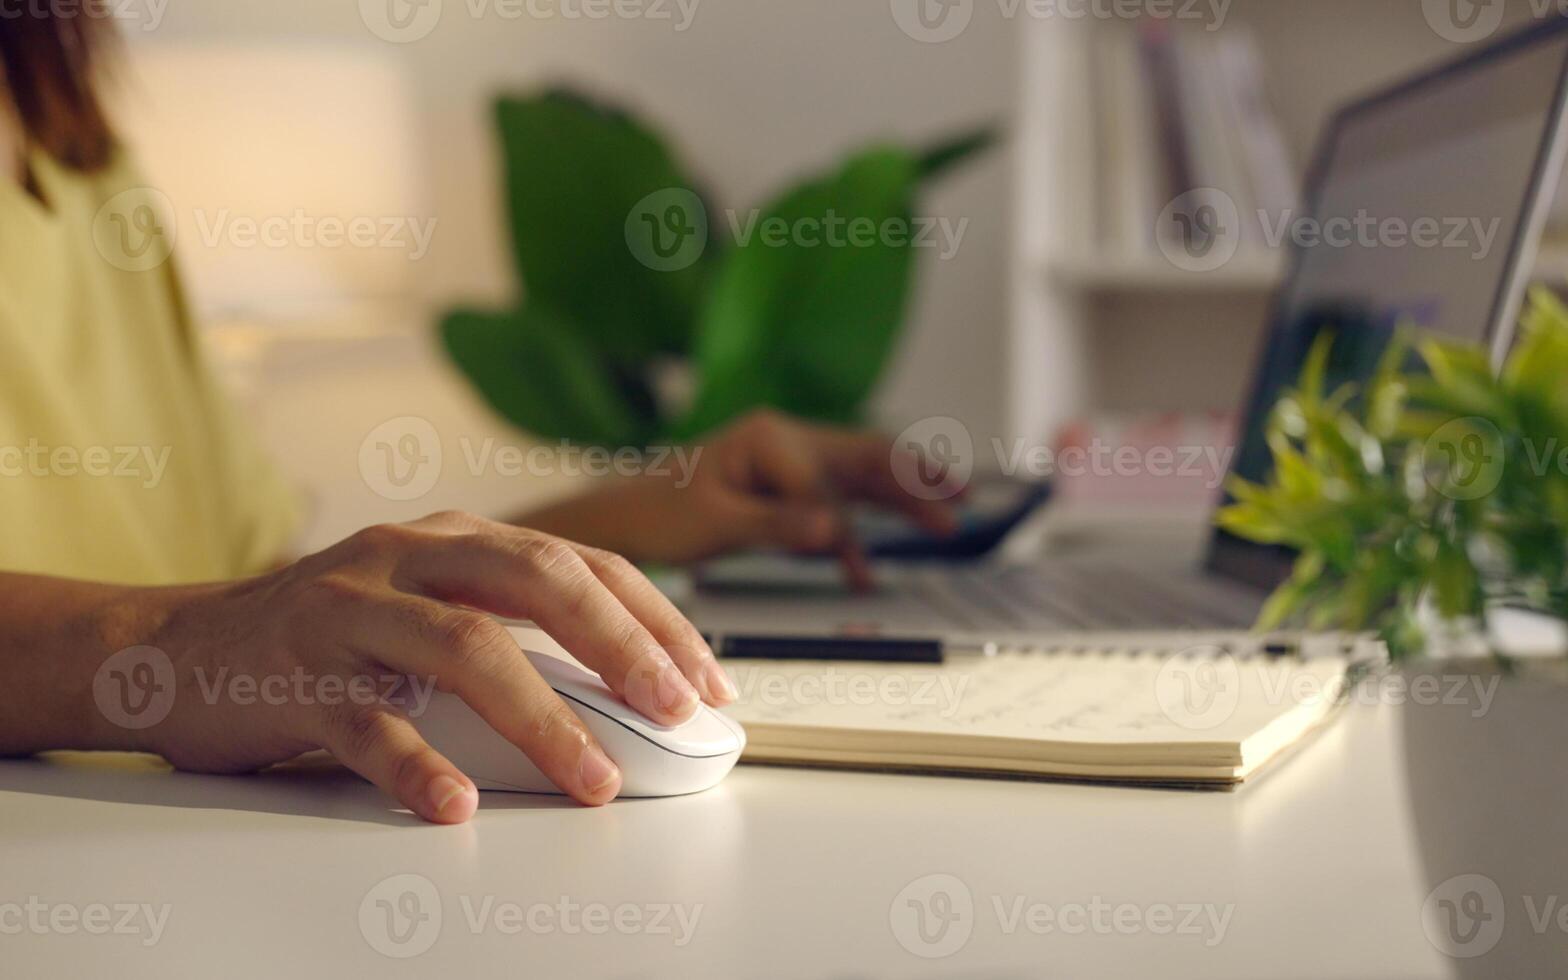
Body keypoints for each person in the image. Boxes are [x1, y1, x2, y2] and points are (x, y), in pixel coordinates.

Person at [0, 14, 955, 823]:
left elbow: (255, 603)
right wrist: (171, 647)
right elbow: (211, 634)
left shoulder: (75, 150)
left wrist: (634, 515)